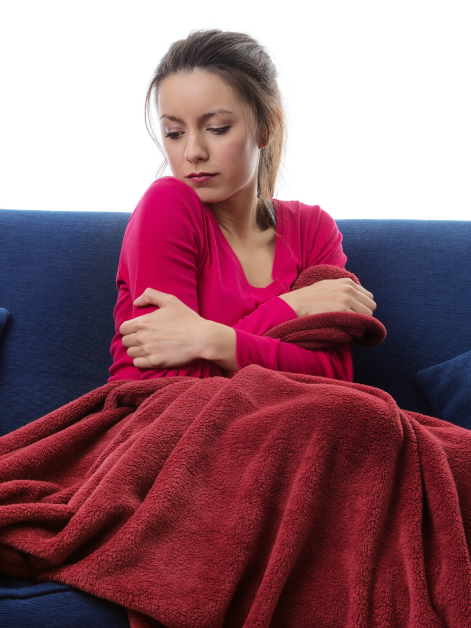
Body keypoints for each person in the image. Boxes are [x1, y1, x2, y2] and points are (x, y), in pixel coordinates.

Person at [108, 29, 376, 384]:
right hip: (161, 421)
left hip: (286, 422)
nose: (192, 153)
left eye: (217, 128)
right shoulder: (166, 205)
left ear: (266, 128)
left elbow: (334, 377)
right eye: (174, 133)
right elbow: (175, 382)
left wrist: (206, 339)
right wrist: (292, 307)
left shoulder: (312, 230)